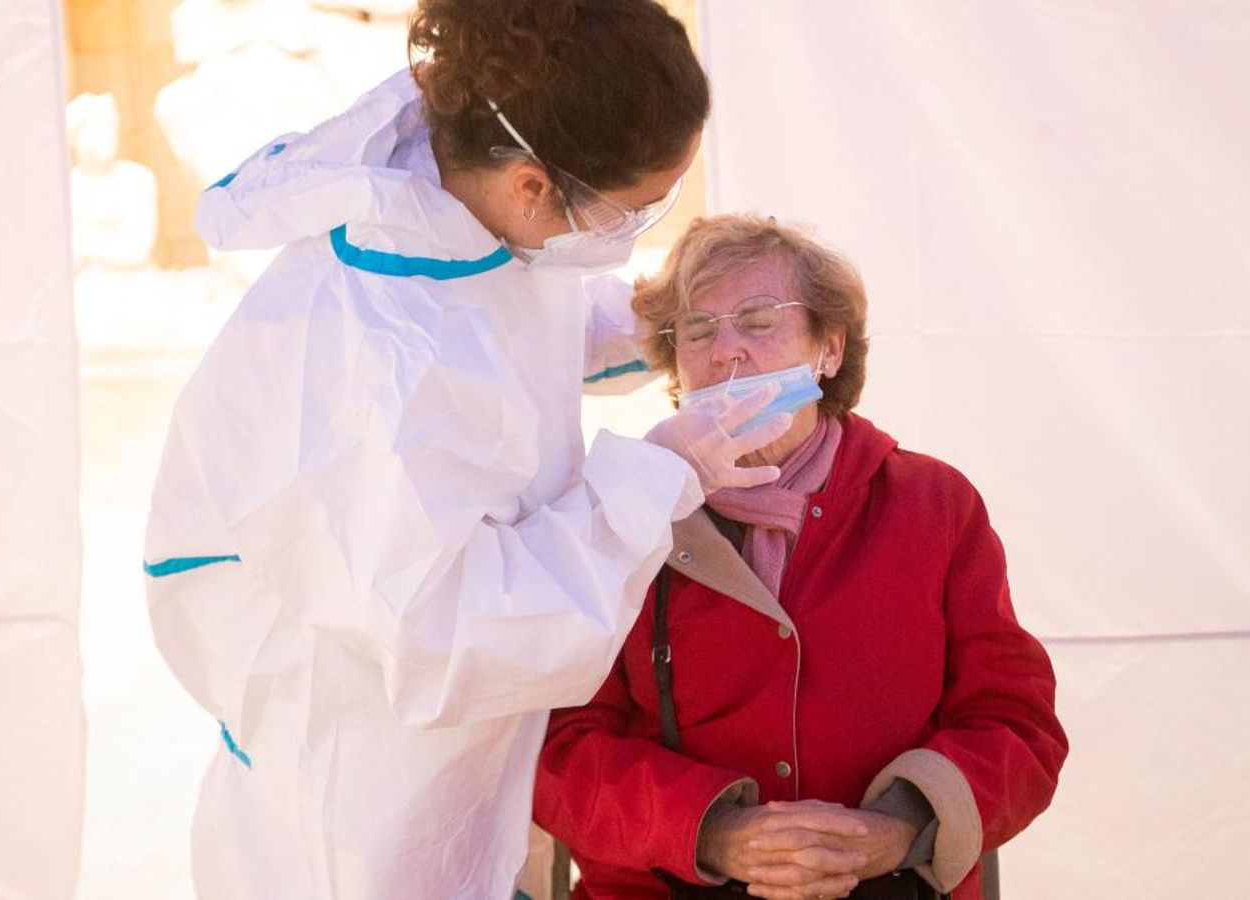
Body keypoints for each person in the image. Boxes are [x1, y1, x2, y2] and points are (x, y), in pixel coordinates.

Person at [142, 4, 795, 898]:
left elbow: (518, 321)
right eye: (635, 210)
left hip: (442, 756)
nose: (634, 233)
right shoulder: (376, 360)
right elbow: (457, 631)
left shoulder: (459, 205)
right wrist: (658, 476)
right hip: (356, 766)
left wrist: (664, 331)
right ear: (532, 185)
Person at [533, 215, 1068, 900]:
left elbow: (1016, 725)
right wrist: (713, 831)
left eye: (758, 321)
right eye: (698, 330)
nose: (726, 351)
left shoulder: (933, 503)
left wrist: (899, 827)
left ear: (830, 350)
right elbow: (557, 747)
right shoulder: (616, 512)